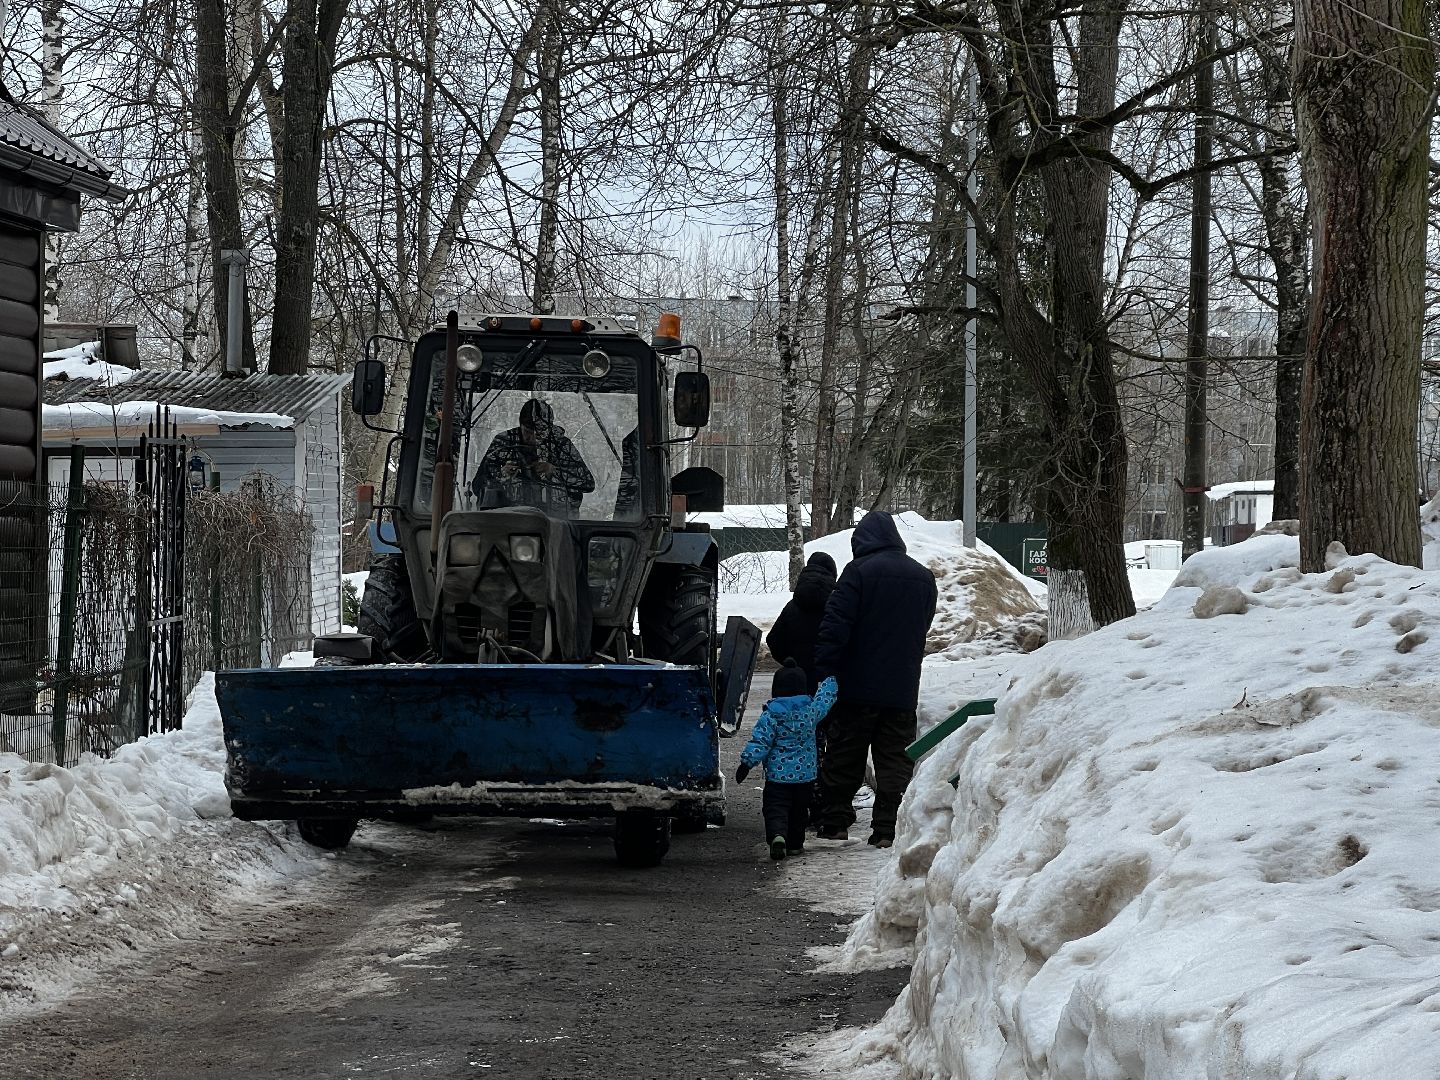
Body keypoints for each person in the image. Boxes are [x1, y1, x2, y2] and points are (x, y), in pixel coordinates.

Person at [811, 510, 937, 849]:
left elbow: (834, 628)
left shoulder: (858, 573)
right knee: (894, 761)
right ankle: (886, 830)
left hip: (856, 689)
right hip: (901, 689)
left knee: (845, 757)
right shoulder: (923, 577)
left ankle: (835, 824)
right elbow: (922, 626)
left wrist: (824, 673)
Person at [735, 661, 837, 860]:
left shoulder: (772, 714)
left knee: (776, 808)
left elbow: (761, 741)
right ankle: (795, 845)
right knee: (799, 811)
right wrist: (830, 677)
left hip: (777, 777)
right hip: (805, 777)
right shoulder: (810, 711)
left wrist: (746, 763)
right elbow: (825, 699)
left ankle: (777, 836)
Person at [473, 399, 595, 515]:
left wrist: (554, 471)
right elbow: (478, 486)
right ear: (520, 425)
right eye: (528, 432)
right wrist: (501, 474)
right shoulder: (504, 443)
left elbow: (587, 484)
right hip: (509, 519)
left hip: (556, 521)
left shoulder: (561, 445)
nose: (534, 437)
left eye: (541, 432)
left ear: (550, 428)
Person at [765, 551, 837, 693]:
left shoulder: (791, 607)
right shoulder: (837, 607)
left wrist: (792, 663)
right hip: (829, 682)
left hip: (800, 682)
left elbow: (774, 639)